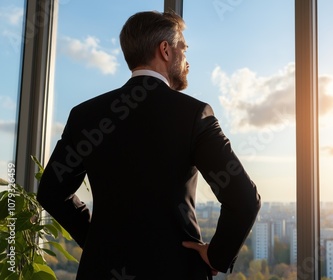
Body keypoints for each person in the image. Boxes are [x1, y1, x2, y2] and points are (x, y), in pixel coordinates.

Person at [37, 10, 261, 279]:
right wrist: (217, 255)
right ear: (165, 50)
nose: (187, 60)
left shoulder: (84, 115)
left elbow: (51, 192)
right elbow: (244, 199)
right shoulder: (194, 114)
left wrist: (96, 241)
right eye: (184, 49)